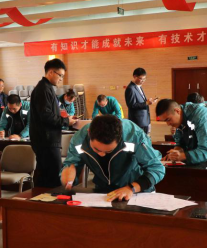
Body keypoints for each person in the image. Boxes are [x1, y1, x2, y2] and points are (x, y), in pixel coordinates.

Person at [61, 115, 165, 201]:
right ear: (89, 133)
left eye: (108, 151)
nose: (102, 154)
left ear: (119, 139)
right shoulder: (79, 139)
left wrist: (131, 188)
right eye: (96, 149)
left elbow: (157, 169)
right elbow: (71, 164)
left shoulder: (133, 135)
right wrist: (68, 178)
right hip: (104, 193)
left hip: (137, 192)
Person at [29, 59, 76, 188]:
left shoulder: (47, 88)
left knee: (45, 176)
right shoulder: (43, 89)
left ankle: (42, 199)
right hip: (46, 141)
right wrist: (66, 121)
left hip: (48, 140)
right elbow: (46, 116)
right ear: (50, 72)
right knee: (53, 179)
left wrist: (66, 118)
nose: (61, 79)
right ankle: (47, 199)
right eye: (60, 75)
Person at [125, 67, 156, 134]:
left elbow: (140, 102)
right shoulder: (130, 88)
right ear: (134, 76)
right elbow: (131, 105)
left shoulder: (138, 86)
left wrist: (148, 101)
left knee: (145, 138)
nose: (143, 81)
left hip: (144, 120)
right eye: (141, 78)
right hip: (138, 121)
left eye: (144, 79)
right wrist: (146, 103)